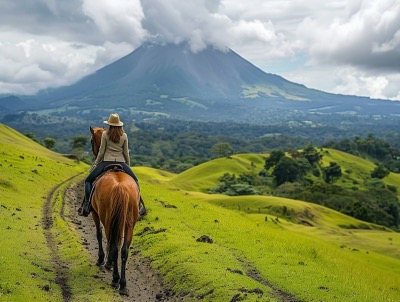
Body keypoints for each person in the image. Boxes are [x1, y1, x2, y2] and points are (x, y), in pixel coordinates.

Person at [78, 113, 145, 216]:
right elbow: (126, 152)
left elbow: (101, 151)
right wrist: (128, 164)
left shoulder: (105, 135)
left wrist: (96, 163)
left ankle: (87, 205)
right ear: (119, 125)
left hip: (106, 162)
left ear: (109, 124)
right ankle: (140, 205)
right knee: (135, 180)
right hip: (122, 163)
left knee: (88, 180)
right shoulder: (124, 135)